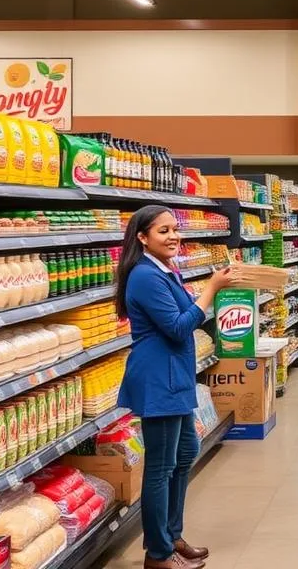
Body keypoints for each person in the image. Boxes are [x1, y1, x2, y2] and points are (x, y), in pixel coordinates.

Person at [115, 205, 237, 569]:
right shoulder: (144, 276)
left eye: (175, 229)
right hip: (159, 378)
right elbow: (178, 326)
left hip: (176, 376)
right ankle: (158, 553)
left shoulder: (165, 269)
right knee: (161, 466)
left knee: (184, 454)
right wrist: (212, 289)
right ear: (142, 237)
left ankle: (172, 535)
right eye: (163, 231)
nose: (173, 237)